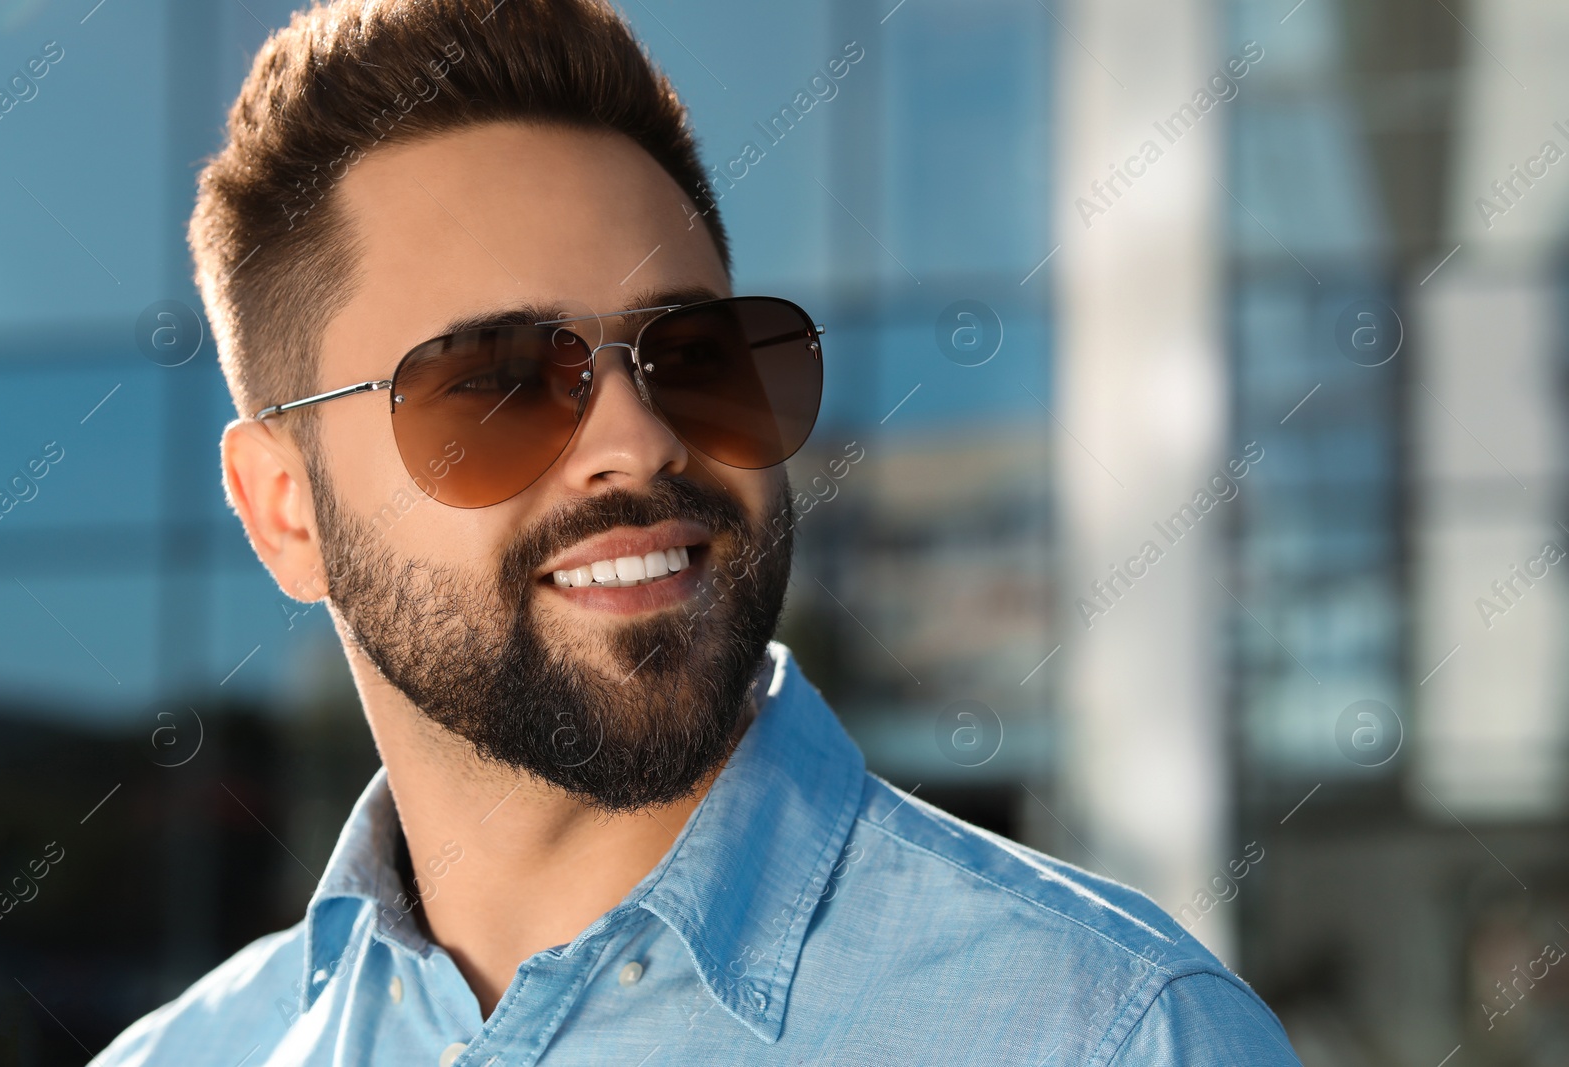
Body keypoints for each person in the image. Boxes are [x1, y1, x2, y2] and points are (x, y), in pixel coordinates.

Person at [92, 0, 1299, 1062]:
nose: (640, 438)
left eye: (695, 355)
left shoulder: (1111, 1033)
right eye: (499, 381)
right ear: (284, 510)